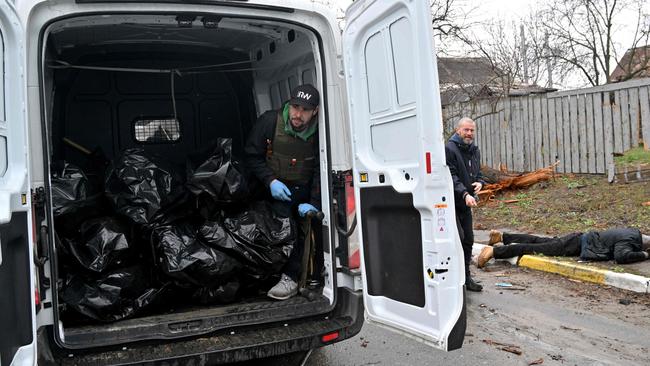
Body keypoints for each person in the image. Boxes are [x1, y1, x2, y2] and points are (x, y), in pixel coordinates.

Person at [245, 84, 321, 300]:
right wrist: (270, 181)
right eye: (295, 107)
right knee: (278, 228)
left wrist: (314, 203)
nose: (298, 114)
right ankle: (266, 275)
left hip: (303, 190)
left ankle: (292, 277)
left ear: (314, 111)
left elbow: (320, 169)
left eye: (305, 110)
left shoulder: (321, 132)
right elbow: (251, 155)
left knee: (304, 229)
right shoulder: (270, 121)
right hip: (274, 188)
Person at [446, 117, 485, 292]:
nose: (469, 133)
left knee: (468, 240)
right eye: (466, 130)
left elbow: (478, 172)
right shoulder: (449, 149)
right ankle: (455, 278)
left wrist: (480, 182)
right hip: (451, 203)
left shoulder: (474, 150)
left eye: (472, 130)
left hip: (467, 204)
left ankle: (466, 278)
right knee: (458, 239)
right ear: (458, 130)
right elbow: (451, 176)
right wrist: (464, 193)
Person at [477, 228, 650, 268]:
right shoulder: (630, 241)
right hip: (576, 243)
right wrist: (643, 255)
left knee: (540, 241)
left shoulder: (632, 234)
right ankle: (494, 251)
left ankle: (502, 237)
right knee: (533, 248)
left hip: (578, 240)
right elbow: (621, 256)